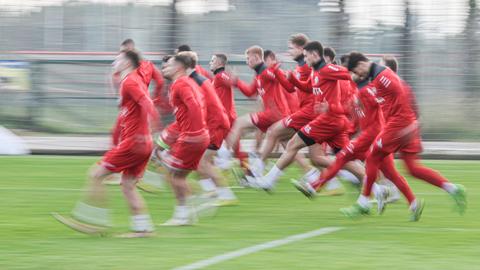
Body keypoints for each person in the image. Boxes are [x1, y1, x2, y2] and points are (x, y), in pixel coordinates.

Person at [341, 52, 466, 220]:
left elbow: (399, 96)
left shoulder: (383, 76)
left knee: (372, 158)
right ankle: (451, 189)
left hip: (398, 125)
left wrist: (406, 125)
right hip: (404, 126)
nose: (359, 75)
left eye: (357, 71)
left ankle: (363, 203)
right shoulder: (380, 79)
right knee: (412, 169)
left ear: (361, 64)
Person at [53, 50, 158, 237]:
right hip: (143, 142)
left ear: (126, 63)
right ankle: (143, 229)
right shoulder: (133, 79)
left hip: (134, 142)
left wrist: (153, 120)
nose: (113, 63)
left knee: (95, 174)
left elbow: (146, 101)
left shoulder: (131, 81)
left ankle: (96, 222)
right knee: (128, 185)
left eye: (117, 60)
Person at [252, 41, 357, 191]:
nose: (290, 52)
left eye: (292, 48)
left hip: (318, 115)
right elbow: (303, 87)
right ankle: (363, 182)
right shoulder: (313, 69)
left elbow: (349, 75)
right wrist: (288, 77)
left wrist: (365, 81)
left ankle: (263, 173)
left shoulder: (323, 69)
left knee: (281, 137)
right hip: (324, 117)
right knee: (319, 157)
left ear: (311, 53)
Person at [179, 51, 239, 206]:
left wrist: (232, 79)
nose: (210, 63)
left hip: (217, 123)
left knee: (202, 161)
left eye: (212, 60)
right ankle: (214, 189)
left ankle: (225, 194)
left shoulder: (218, 76)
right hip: (214, 123)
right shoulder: (208, 79)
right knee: (201, 161)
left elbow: (229, 81)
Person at [157, 54, 210, 226]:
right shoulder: (187, 82)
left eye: (169, 65)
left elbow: (194, 105)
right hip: (196, 136)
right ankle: (189, 211)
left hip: (192, 138)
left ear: (179, 67)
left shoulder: (181, 83)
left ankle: (183, 214)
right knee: (177, 174)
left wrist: (193, 132)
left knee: (173, 175)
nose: (164, 67)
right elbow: (191, 111)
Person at [224, 45, 290, 178]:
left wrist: (277, 70)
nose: (247, 61)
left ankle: (223, 157)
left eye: (248, 59)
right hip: (275, 115)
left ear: (256, 57)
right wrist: (237, 82)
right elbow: (250, 92)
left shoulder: (265, 72)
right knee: (291, 148)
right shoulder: (259, 75)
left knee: (239, 123)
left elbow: (278, 77)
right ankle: (258, 173)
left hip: (274, 113)